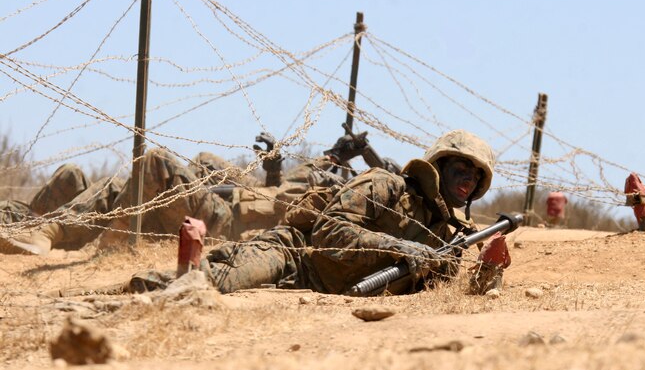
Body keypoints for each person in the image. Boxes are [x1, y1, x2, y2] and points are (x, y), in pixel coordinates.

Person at [131, 129, 506, 296]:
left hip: (326, 289)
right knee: (212, 285)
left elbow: (444, 291)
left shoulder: (449, 236)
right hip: (294, 257)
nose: (469, 179)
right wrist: (399, 247)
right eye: (462, 168)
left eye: (477, 176)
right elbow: (329, 231)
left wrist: (488, 272)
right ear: (440, 164)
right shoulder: (385, 185)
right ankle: (126, 292)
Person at [0, 130, 395, 254]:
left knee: (155, 160)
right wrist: (278, 169)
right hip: (223, 203)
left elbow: (391, 180)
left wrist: (366, 158)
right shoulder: (317, 174)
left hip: (225, 224)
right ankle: (22, 223)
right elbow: (287, 185)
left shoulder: (346, 204)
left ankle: (102, 238)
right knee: (85, 178)